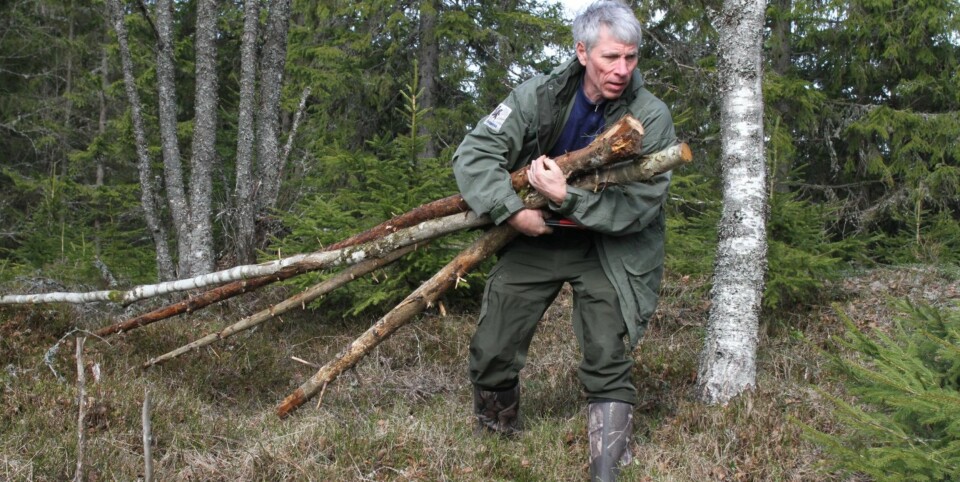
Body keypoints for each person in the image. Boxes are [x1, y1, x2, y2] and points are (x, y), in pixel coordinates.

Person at [452, 1, 678, 480]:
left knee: (606, 350)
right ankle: (496, 441)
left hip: (608, 246)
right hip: (537, 238)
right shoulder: (538, 95)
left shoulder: (651, 116)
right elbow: (476, 152)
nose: (621, 70)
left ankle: (608, 466)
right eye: (610, 58)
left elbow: (639, 207)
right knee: (493, 346)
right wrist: (511, 213)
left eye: (631, 58)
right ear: (582, 51)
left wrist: (567, 200)